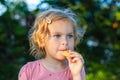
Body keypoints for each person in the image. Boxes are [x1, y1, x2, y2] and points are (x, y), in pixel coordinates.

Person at [18, 8, 86, 80]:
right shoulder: (29, 70)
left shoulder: (77, 68)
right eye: (57, 35)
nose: (65, 42)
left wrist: (76, 75)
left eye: (69, 36)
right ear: (42, 40)